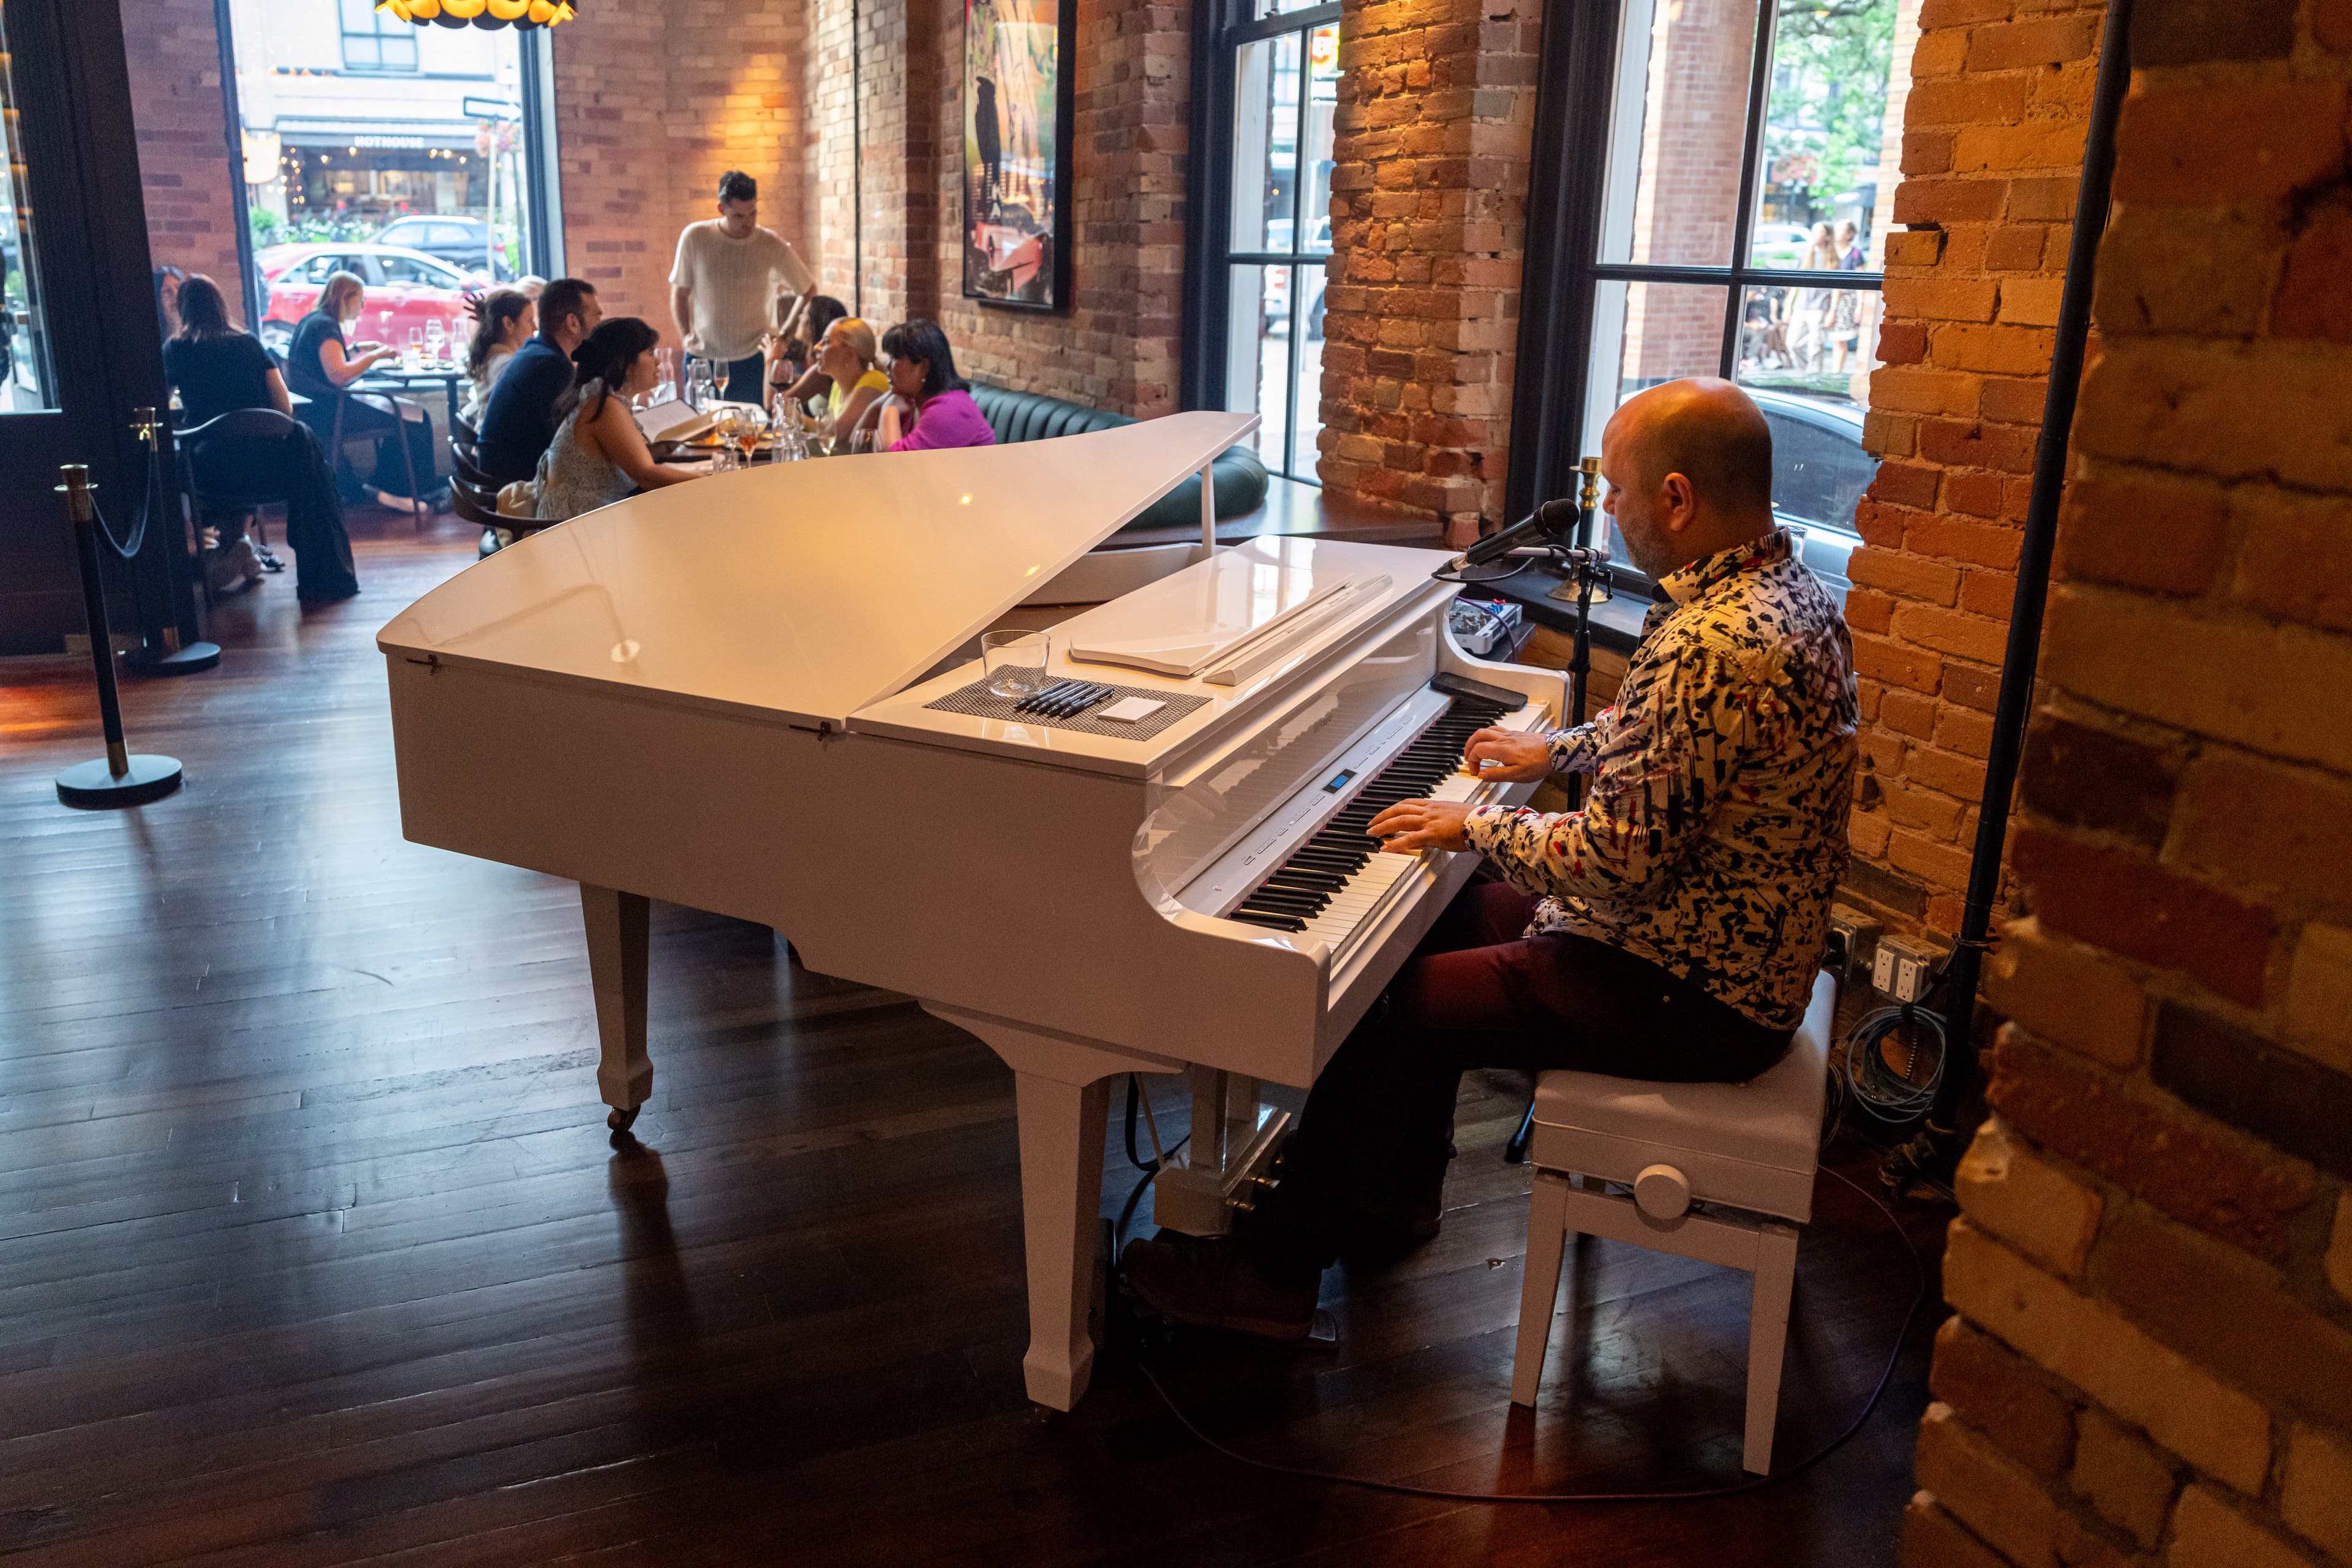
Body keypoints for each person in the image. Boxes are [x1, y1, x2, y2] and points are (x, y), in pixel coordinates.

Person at [1123, 379, 1859, 1338]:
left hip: (1700, 991)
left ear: (1678, 497)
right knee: (1440, 920)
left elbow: (1615, 859)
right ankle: (1394, 1199)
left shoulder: (1716, 642)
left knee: (1395, 1000)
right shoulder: (1784, 591)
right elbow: (1678, 750)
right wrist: (1556, 751)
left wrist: (1470, 825)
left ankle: (1271, 1275)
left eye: (1623, 495)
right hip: (1712, 944)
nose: (1615, 516)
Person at [162, 275, 358, 605]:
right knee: (242, 450)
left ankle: (230, 550)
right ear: (220, 305)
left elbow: (160, 400)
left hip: (213, 472)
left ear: (184, 309)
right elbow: (283, 407)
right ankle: (239, 545)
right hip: (271, 469)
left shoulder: (177, 349)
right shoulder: (249, 343)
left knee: (197, 456)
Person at [284, 270, 447, 512]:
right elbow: (338, 374)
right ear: (346, 299)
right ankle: (408, 491)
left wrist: (359, 348)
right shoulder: (326, 327)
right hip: (332, 411)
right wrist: (375, 355)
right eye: (360, 300)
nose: (362, 307)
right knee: (416, 418)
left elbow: (325, 364)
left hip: (318, 408)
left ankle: (384, 483)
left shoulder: (313, 320)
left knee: (407, 412)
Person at [532, 317, 706, 522]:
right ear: (626, 363)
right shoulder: (604, 406)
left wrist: (664, 447)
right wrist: (713, 484)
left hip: (587, 520)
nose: (658, 361)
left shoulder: (600, 398)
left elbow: (620, 459)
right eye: (650, 353)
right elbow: (646, 475)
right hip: (578, 527)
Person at [670, 170, 813, 405]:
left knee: (754, 430)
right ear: (721, 209)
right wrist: (686, 336)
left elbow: (808, 289)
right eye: (738, 216)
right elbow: (680, 293)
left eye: (753, 213)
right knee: (702, 431)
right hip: (703, 356)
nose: (748, 222)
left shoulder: (771, 244)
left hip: (753, 358)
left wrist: (785, 335)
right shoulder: (695, 237)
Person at [478, 277, 600, 486]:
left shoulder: (536, 351)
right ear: (572, 323)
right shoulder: (548, 365)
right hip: (517, 484)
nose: (600, 324)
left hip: (508, 473)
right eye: (597, 316)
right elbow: (573, 442)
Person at [869, 319, 995, 453]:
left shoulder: (947, 410)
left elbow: (895, 462)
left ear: (923, 367)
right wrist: (880, 404)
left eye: (895, 358)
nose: (887, 366)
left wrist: (889, 409)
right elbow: (858, 441)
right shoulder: (914, 401)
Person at [777, 315, 887, 445]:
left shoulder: (874, 381)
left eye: (826, 342)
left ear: (849, 353)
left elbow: (836, 433)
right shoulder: (837, 386)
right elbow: (824, 431)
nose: (816, 347)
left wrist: (797, 416)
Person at [460, 287, 536, 425]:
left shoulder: (491, 356)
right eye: (529, 320)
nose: (535, 328)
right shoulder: (508, 365)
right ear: (508, 324)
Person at [766, 292, 848, 407]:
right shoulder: (814, 361)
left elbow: (773, 406)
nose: (799, 317)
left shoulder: (820, 372)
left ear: (812, 326)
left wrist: (770, 361)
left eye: (803, 314)